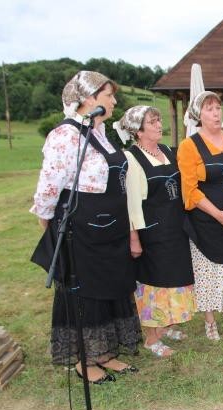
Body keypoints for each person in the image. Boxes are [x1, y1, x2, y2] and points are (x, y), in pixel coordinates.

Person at [30, 71, 141, 384]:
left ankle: (106, 353)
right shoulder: (64, 136)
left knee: (111, 287)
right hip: (82, 228)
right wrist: (48, 223)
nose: (114, 101)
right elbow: (50, 185)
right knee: (87, 293)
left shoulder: (102, 131)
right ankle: (84, 360)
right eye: (108, 95)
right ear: (89, 99)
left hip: (112, 228)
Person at [114, 106, 196, 357]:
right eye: (152, 122)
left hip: (176, 228)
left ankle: (167, 324)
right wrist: (134, 238)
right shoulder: (131, 158)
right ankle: (151, 338)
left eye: (159, 120)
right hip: (152, 232)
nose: (159, 125)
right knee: (154, 283)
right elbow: (131, 203)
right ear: (138, 131)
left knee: (176, 279)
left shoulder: (169, 152)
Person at [178, 91, 223, 341]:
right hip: (207, 222)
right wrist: (218, 214)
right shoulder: (189, 146)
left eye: (218, 108)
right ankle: (210, 320)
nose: (216, 113)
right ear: (198, 115)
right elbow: (189, 190)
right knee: (208, 272)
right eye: (209, 109)